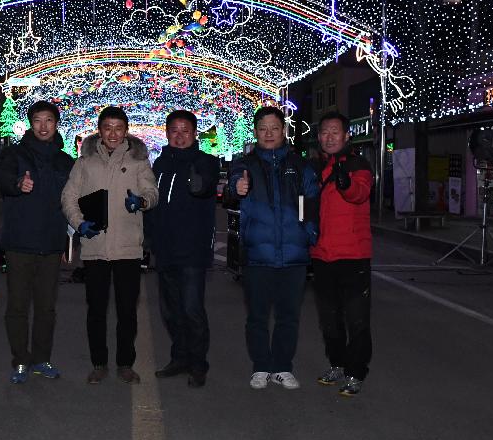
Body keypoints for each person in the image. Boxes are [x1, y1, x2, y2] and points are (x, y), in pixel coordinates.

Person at [61, 106, 158, 385]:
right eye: (107, 127)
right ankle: (99, 362)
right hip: (95, 247)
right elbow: (68, 196)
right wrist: (79, 223)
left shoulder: (139, 161)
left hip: (128, 246)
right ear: (99, 130)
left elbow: (152, 191)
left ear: (126, 131)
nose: (113, 133)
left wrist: (141, 201)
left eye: (118, 128)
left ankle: (125, 363)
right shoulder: (85, 162)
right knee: (96, 309)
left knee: (128, 309)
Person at [226, 106, 319, 390]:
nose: (269, 133)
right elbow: (234, 185)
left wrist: (308, 232)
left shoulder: (300, 165)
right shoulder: (246, 164)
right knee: (257, 315)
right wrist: (236, 187)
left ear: (284, 131)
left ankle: (282, 366)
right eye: (263, 128)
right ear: (256, 132)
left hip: (293, 255)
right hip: (258, 255)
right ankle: (261, 366)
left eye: (274, 128)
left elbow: (310, 202)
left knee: (288, 316)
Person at [0, 100, 74, 383]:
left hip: (52, 243)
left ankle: (41, 359)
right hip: (19, 243)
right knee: (17, 306)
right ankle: (20, 360)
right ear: (31, 123)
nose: (43, 126)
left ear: (56, 124)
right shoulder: (15, 155)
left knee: (46, 307)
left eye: (49, 120)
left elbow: (75, 197)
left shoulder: (65, 161)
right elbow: (1, 177)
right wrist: (18, 184)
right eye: (38, 120)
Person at [147, 110, 220, 388]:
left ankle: (198, 363)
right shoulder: (160, 164)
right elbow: (153, 203)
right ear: (167, 133)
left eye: (185, 131)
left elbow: (205, 185)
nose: (179, 136)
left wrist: (200, 184)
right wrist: (149, 236)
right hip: (165, 249)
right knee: (171, 311)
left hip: (192, 250)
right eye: (174, 131)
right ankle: (179, 358)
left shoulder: (205, 162)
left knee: (192, 309)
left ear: (194, 134)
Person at [311, 110, 373, 397]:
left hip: (353, 256)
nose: (330, 136)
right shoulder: (315, 167)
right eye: (325, 132)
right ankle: (336, 363)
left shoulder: (359, 165)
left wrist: (346, 183)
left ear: (347, 135)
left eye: (335, 131)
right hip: (322, 255)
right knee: (329, 319)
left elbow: (359, 192)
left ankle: (355, 372)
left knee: (357, 319)